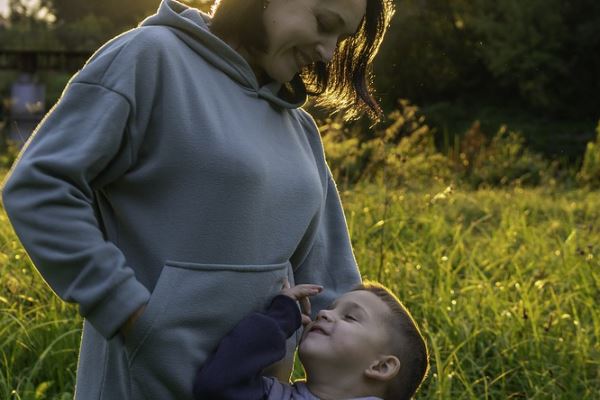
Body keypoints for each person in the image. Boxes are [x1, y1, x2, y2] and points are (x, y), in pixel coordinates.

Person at [0, 0, 395, 399]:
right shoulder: (151, 57)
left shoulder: (301, 130)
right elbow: (41, 185)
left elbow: (332, 285)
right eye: (324, 23)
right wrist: (131, 316)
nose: (328, 52)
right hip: (140, 385)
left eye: (340, 38)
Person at [194, 281, 430, 400]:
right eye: (329, 308)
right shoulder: (274, 395)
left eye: (349, 317)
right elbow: (218, 382)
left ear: (381, 366)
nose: (324, 314)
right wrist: (281, 318)